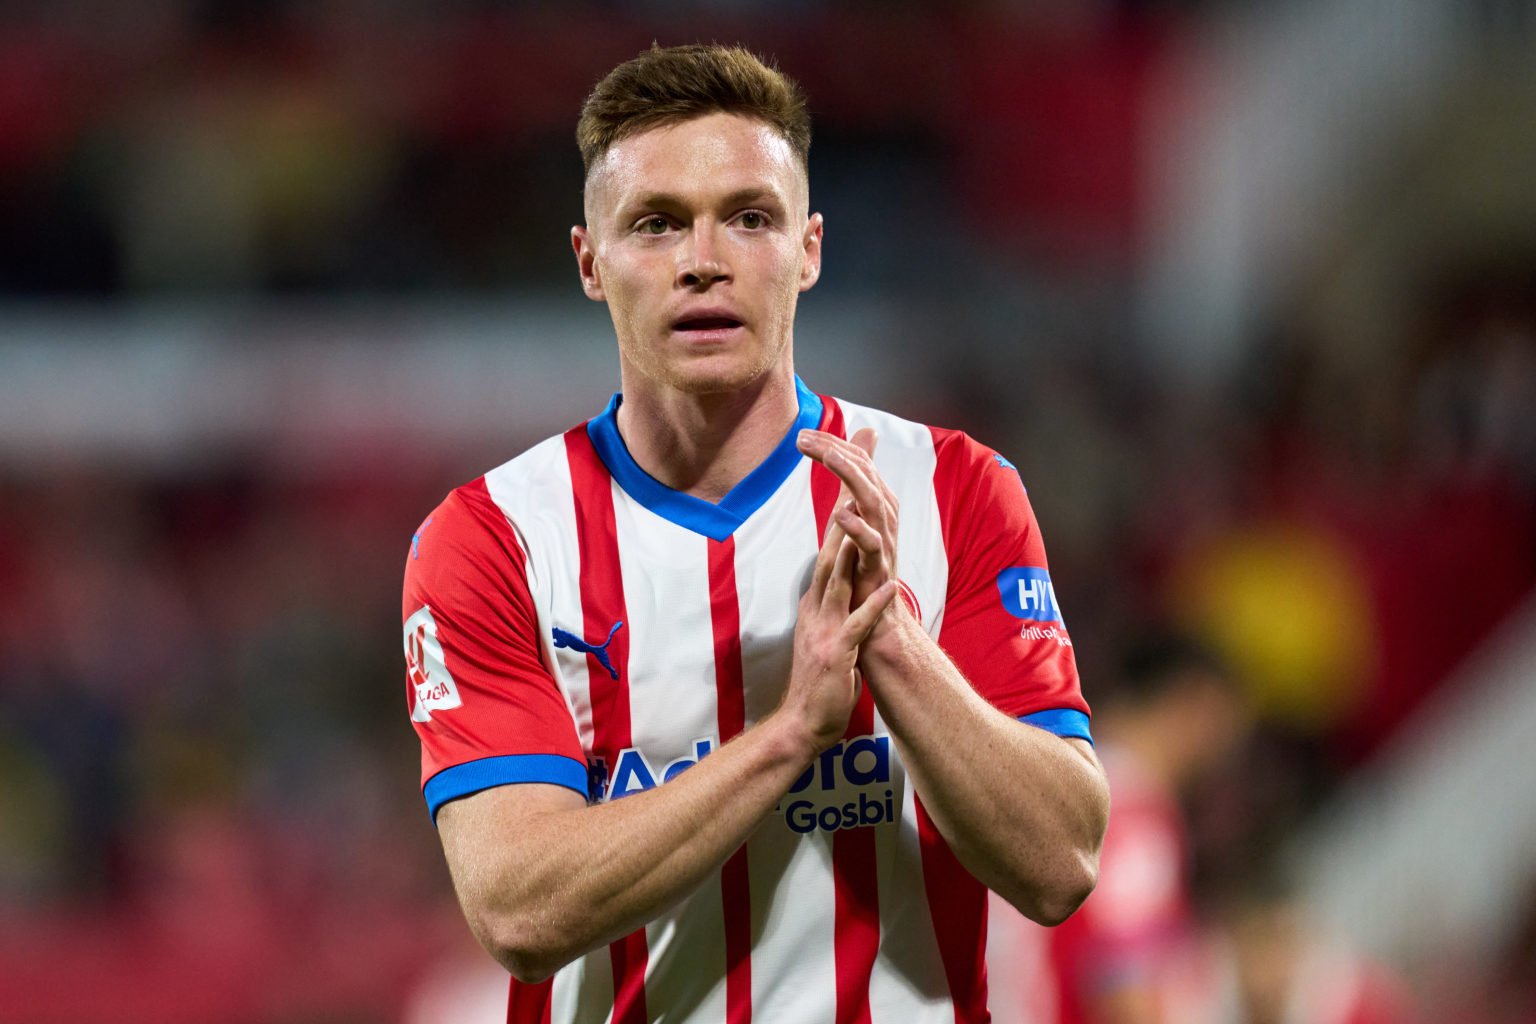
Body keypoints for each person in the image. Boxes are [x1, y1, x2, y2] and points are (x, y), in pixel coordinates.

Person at [400, 43, 1109, 1024]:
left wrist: (894, 642)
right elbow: (519, 906)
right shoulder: (493, 540)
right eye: (656, 224)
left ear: (808, 248)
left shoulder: (956, 490)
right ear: (589, 262)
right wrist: (786, 739)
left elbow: (1061, 863)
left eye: (749, 217)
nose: (704, 260)